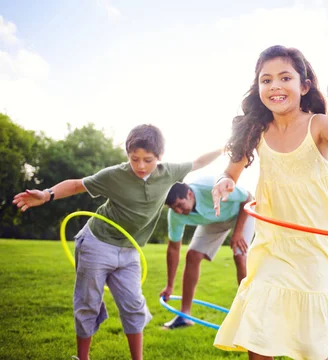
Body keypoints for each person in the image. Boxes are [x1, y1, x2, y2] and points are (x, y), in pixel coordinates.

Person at [210, 45, 328, 360]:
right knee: (259, 329)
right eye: (266, 80)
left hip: (314, 249)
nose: (275, 86)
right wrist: (223, 181)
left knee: (309, 344)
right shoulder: (256, 130)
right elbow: (231, 171)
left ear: (304, 86)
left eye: (285, 77)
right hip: (273, 246)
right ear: (259, 89)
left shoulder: (319, 125)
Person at [13, 124, 222, 360]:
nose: (141, 166)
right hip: (97, 243)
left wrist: (227, 147)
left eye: (148, 160)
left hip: (130, 249)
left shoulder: (169, 172)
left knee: (134, 305)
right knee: (88, 303)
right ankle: (82, 358)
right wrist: (46, 194)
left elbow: (199, 162)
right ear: (127, 155)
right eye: (135, 159)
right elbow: (76, 184)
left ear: (160, 157)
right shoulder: (115, 175)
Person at [160, 177, 255, 329]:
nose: (178, 211)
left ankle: (250, 314)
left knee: (240, 255)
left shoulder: (210, 188)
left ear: (190, 194)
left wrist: (237, 233)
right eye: (173, 208)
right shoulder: (176, 215)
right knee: (192, 255)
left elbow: (247, 197)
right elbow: (173, 248)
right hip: (217, 219)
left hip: (242, 212)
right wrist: (169, 286)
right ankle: (185, 316)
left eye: (180, 205)